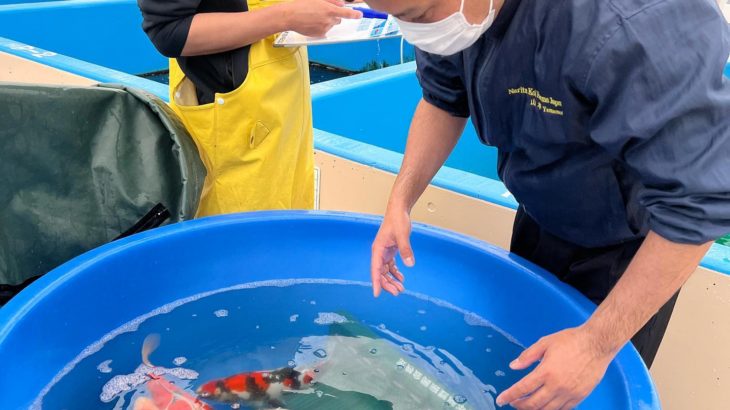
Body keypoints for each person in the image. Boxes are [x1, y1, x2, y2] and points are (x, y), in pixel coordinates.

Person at [364, 0, 730, 408]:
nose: (415, 30)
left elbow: (698, 204)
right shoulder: (445, 14)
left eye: (416, 16)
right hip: (542, 211)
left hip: (631, 244)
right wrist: (400, 202)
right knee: (521, 372)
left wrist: (595, 345)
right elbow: (443, 98)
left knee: (583, 385)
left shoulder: (631, 24)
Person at [138, 0, 361, 216]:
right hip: (232, 123)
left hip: (284, 117)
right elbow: (168, 30)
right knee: (236, 242)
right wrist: (287, 16)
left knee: (286, 230)